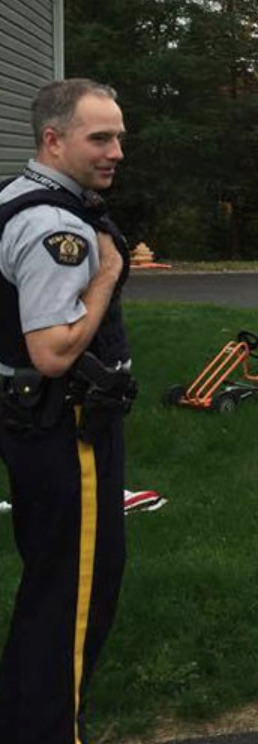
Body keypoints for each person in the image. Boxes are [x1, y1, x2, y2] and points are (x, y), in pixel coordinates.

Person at [0, 78, 136, 743]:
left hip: (36, 423)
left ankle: (25, 716)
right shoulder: (57, 226)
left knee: (53, 579)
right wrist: (108, 271)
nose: (115, 152)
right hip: (67, 426)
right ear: (54, 139)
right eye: (99, 137)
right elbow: (53, 351)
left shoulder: (16, 197)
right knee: (76, 592)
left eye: (119, 137)